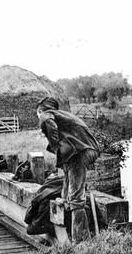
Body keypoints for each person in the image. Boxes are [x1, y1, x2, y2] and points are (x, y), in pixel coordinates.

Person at [36, 96, 100, 242]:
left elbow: (48, 123)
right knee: (66, 195)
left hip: (79, 153)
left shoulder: (46, 115)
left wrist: (55, 146)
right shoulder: (64, 115)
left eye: (38, 114)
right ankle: (66, 237)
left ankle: (81, 241)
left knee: (76, 197)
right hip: (83, 151)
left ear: (40, 110)